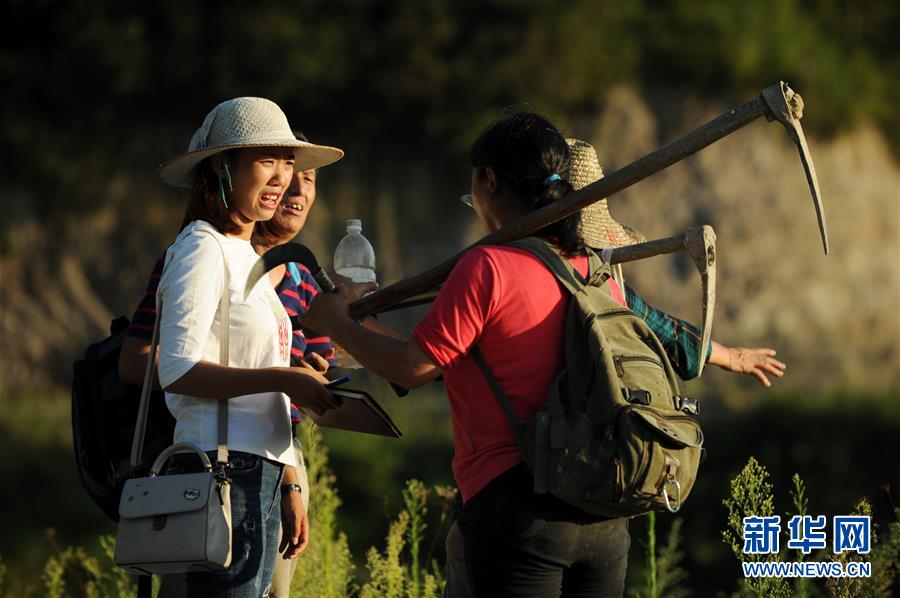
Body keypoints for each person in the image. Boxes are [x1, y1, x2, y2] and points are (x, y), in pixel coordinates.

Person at [301, 112, 631, 596]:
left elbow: (414, 367)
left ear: (489, 180)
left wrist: (334, 325)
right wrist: (361, 327)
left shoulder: (488, 266)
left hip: (517, 511)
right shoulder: (591, 271)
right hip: (603, 512)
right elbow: (449, 358)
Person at [119, 131, 336, 597]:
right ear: (222, 169)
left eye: (292, 166)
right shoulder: (202, 247)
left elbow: (270, 389)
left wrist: (290, 478)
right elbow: (175, 367)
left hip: (260, 470)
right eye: (269, 162)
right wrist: (284, 377)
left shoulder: (244, 256)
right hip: (222, 469)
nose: (284, 180)